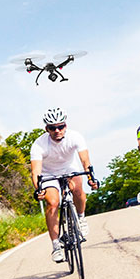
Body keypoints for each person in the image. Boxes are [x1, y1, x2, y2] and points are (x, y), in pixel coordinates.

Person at [29, 106, 99, 263]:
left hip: (69, 169)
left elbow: (85, 161)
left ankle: (80, 218)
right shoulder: (39, 145)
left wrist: (90, 178)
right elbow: (36, 172)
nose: (57, 130)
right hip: (48, 174)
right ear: (47, 129)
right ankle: (55, 246)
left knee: (79, 190)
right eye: (53, 128)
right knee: (53, 203)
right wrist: (38, 189)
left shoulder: (75, 137)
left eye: (61, 126)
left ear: (65, 126)